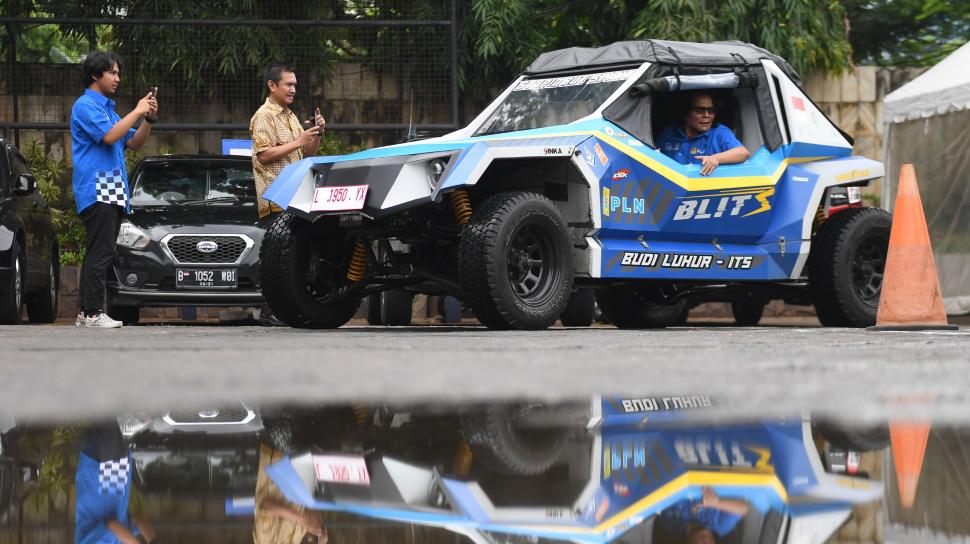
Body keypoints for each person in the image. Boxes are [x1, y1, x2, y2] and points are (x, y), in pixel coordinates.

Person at [71, 51, 157, 328]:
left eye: (118, 73)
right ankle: (93, 313)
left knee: (103, 250)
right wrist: (137, 111)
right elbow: (109, 137)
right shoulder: (86, 105)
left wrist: (148, 120)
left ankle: (88, 313)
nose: (117, 78)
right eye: (113, 73)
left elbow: (134, 143)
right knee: (101, 251)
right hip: (97, 187)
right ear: (96, 75)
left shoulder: (108, 109)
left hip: (111, 186)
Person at [249, 64, 325, 326]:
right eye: (288, 84)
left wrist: (314, 136)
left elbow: (306, 155)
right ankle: (270, 313)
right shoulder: (263, 116)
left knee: (294, 256)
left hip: (296, 196)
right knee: (279, 257)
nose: (293, 89)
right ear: (272, 86)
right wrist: (298, 142)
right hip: (276, 197)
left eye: (295, 84)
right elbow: (264, 155)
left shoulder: (290, 116)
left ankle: (289, 312)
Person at [74, 423, 157, 544]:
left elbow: (112, 526)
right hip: (113, 471)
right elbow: (136, 520)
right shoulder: (120, 540)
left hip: (99, 468)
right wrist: (154, 540)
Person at [656, 91, 750, 176]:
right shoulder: (669, 132)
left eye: (711, 111)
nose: (706, 115)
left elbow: (743, 153)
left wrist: (716, 159)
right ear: (685, 113)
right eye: (700, 110)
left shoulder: (719, 132)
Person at [253, 443, 327, 544]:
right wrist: (319, 529)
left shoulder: (265, 541)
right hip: (304, 462)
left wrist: (304, 520)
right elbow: (309, 506)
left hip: (279, 455)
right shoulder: (296, 540)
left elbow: (267, 506)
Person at [656, 488, 750, 544]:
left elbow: (658, 495)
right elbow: (743, 508)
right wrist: (715, 503)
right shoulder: (719, 525)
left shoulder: (670, 524)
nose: (707, 542)